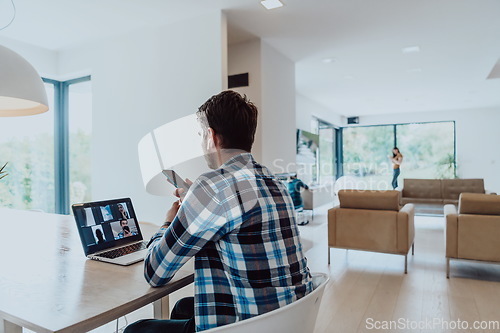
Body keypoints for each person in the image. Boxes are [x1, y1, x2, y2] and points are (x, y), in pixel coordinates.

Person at [125, 91, 312, 333]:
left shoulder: (212, 188)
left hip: (250, 325)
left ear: (211, 136)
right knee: (183, 306)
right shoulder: (275, 182)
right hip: (288, 317)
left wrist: (167, 223)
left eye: (201, 135)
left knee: (136, 329)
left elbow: (155, 272)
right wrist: (195, 200)